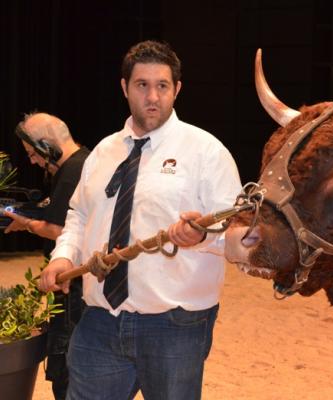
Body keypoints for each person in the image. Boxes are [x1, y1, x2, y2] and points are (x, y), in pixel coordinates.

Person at [38, 40, 242, 400]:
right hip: (100, 318)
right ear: (124, 87)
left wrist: (203, 238)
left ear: (177, 90)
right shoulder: (103, 151)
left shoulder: (207, 152)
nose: (153, 96)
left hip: (175, 324)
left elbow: (237, 233)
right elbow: (79, 214)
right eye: (142, 85)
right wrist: (63, 256)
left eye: (162, 86)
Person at [3, 112, 90, 400]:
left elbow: (57, 229)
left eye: (32, 153)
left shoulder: (71, 172)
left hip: (71, 283)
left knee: (65, 363)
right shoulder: (83, 162)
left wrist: (22, 221)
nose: (32, 161)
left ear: (47, 146)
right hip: (78, 280)